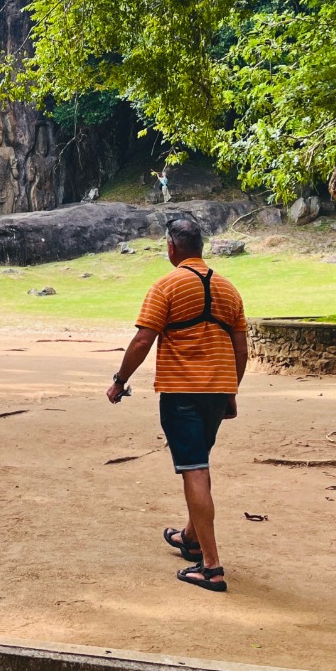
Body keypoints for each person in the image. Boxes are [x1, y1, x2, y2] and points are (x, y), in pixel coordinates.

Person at [106, 216, 248, 594]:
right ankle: (190, 538)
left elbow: (142, 341)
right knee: (198, 464)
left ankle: (212, 567)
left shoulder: (166, 285)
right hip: (217, 393)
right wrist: (230, 391)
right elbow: (241, 349)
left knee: (194, 470)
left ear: (171, 247)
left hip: (182, 393)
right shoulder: (228, 289)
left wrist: (120, 381)